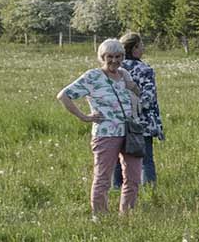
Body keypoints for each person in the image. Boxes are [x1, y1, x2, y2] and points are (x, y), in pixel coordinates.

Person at [60, 38, 145, 219]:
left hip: (130, 132)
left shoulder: (124, 74)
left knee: (134, 177)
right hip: (106, 134)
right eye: (110, 57)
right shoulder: (92, 76)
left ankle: (127, 215)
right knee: (103, 178)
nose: (114, 61)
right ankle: (101, 217)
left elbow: (136, 94)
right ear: (102, 57)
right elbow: (64, 96)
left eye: (118, 56)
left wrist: (132, 88)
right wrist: (84, 116)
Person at [110, 31, 165, 191]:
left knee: (118, 158)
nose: (143, 48)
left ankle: (116, 189)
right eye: (141, 45)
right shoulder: (144, 69)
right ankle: (149, 191)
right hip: (142, 123)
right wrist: (136, 109)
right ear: (134, 48)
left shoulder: (113, 68)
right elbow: (148, 97)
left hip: (117, 120)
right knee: (146, 159)